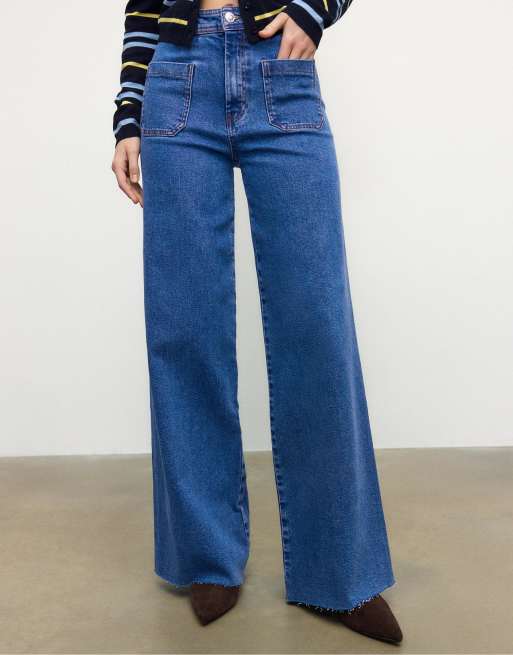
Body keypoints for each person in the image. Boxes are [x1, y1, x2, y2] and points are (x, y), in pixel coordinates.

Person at [111, 0, 403, 644]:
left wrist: (314, 10)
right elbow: (141, 10)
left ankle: (339, 569)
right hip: (175, 79)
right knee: (185, 327)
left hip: (279, 69)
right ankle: (207, 555)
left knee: (317, 325)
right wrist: (128, 116)